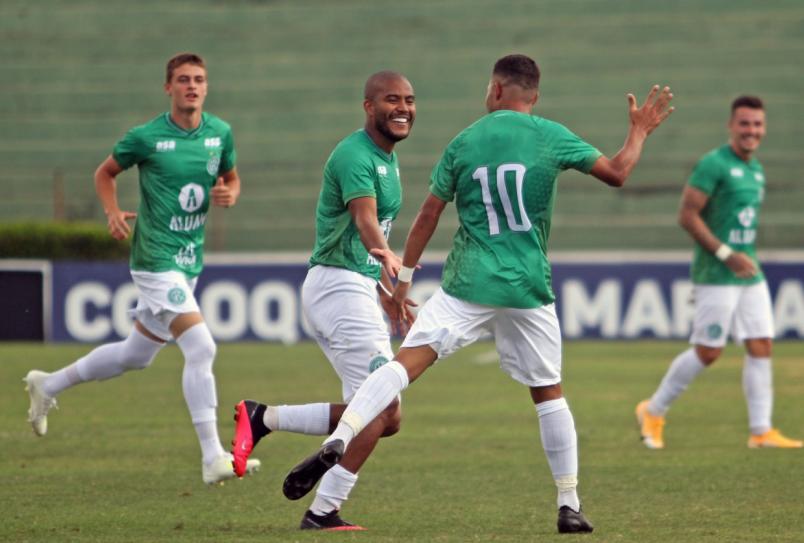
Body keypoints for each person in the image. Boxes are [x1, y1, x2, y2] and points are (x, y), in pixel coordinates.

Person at [283, 54, 674, 534]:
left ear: (495, 90)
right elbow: (617, 172)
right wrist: (639, 132)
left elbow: (428, 214)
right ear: (534, 95)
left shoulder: (465, 141)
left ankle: (341, 436)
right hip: (527, 285)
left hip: (468, 282)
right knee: (549, 394)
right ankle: (569, 503)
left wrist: (402, 281)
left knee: (403, 367)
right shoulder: (551, 135)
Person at [23, 52, 261, 484]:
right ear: (168, 88)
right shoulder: (147, 137)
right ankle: (213, 457)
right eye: (184, 79)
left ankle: (47, 385)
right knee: (202, 347)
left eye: (199, 79)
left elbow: (231, 176)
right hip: (154, 260)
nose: (192, 86)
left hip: (189, 261)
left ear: (207, 87)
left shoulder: (219, 133)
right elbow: (105, 173)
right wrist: (112, 212)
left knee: (135, 355)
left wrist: (232, 191)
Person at [230, 71, 417, 531]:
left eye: (410, 100)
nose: (403, 108)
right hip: (338, 288)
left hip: (352, 287)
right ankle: (321, 511)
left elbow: (366, 239)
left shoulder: (386, 159)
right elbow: (365, 220)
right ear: (368, 106)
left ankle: (264, 418)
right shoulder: (355, 154)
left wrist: (388, 295)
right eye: (391, 99)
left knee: (385, 414)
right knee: (380, 406)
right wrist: (387, 254)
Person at [636, 96, 802, 450]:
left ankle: (761, 431)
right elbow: (687, 215)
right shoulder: (713, 164)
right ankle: (653, 409)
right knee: (709, 351)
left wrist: (741, 257)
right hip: (716, 271)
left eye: (757, 124)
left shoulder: (756, 169)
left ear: (764, 129)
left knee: (761, 345)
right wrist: (727, 254)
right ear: (731, 126)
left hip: (747, 272)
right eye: (744, 123)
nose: (751, 131)